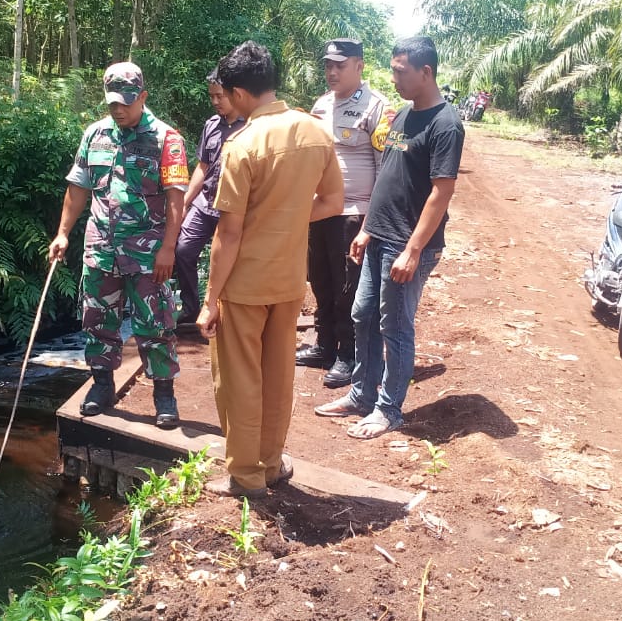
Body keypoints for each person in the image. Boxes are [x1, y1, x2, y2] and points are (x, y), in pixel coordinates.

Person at [197, 41, 344, 498]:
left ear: (239, 93)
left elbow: (229, 234)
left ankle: (245, 476)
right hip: (288, 278)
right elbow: (334, 202)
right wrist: (288, 215)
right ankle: (273, 463)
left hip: (244, 284)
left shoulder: (243, 145)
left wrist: (208, 301)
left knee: (240, 380)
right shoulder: (314, 131)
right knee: (279, 374)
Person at [316, 36, 464, 439]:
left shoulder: (445, 124)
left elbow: (441, 191)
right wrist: (366, 228)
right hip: (380, 235)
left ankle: (389, 409)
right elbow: (388, 176)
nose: (393, 77)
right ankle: (362, 394)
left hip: (407, 244)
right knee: (363, 313)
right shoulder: (401, 116)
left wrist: (413, 251)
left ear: (425, 72)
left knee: (395, 325)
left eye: (400, 71)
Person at [48, 62, 189, 429]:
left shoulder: (166, 139)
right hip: (100, 248)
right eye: (113, 102)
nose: (119, 109)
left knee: (155, 324)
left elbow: (176, 198)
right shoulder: (95, 135)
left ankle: (164, 395)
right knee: (97, 320)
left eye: (127, 101)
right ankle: (101, 386)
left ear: (143, 96)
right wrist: (63, 232)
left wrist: (169, 248)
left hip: (148, 253)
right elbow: (78, 188)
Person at [296, 37, 388, 389]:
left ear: (359, 66)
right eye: (328, 65)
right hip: (319, 208)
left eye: (340, 65)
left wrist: (372, 220)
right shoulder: (321, 105)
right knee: (319, 278)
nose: (332, 72)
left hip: (354, 211)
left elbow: (385, 167)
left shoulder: (376, 106)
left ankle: (348, 355)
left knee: (347, 284)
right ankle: (323, 345)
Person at [174, 71, 245, 332]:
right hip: (205, 203)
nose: (215, 101)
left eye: (220, 96)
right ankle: (190, 308)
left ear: (235, 94)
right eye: (212, 96)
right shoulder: (211, 125)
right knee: (183, 250)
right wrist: (184, 202)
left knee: (231, 258)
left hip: (233, 207)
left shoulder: (250, 126)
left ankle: (223, 309)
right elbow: (202, 166)